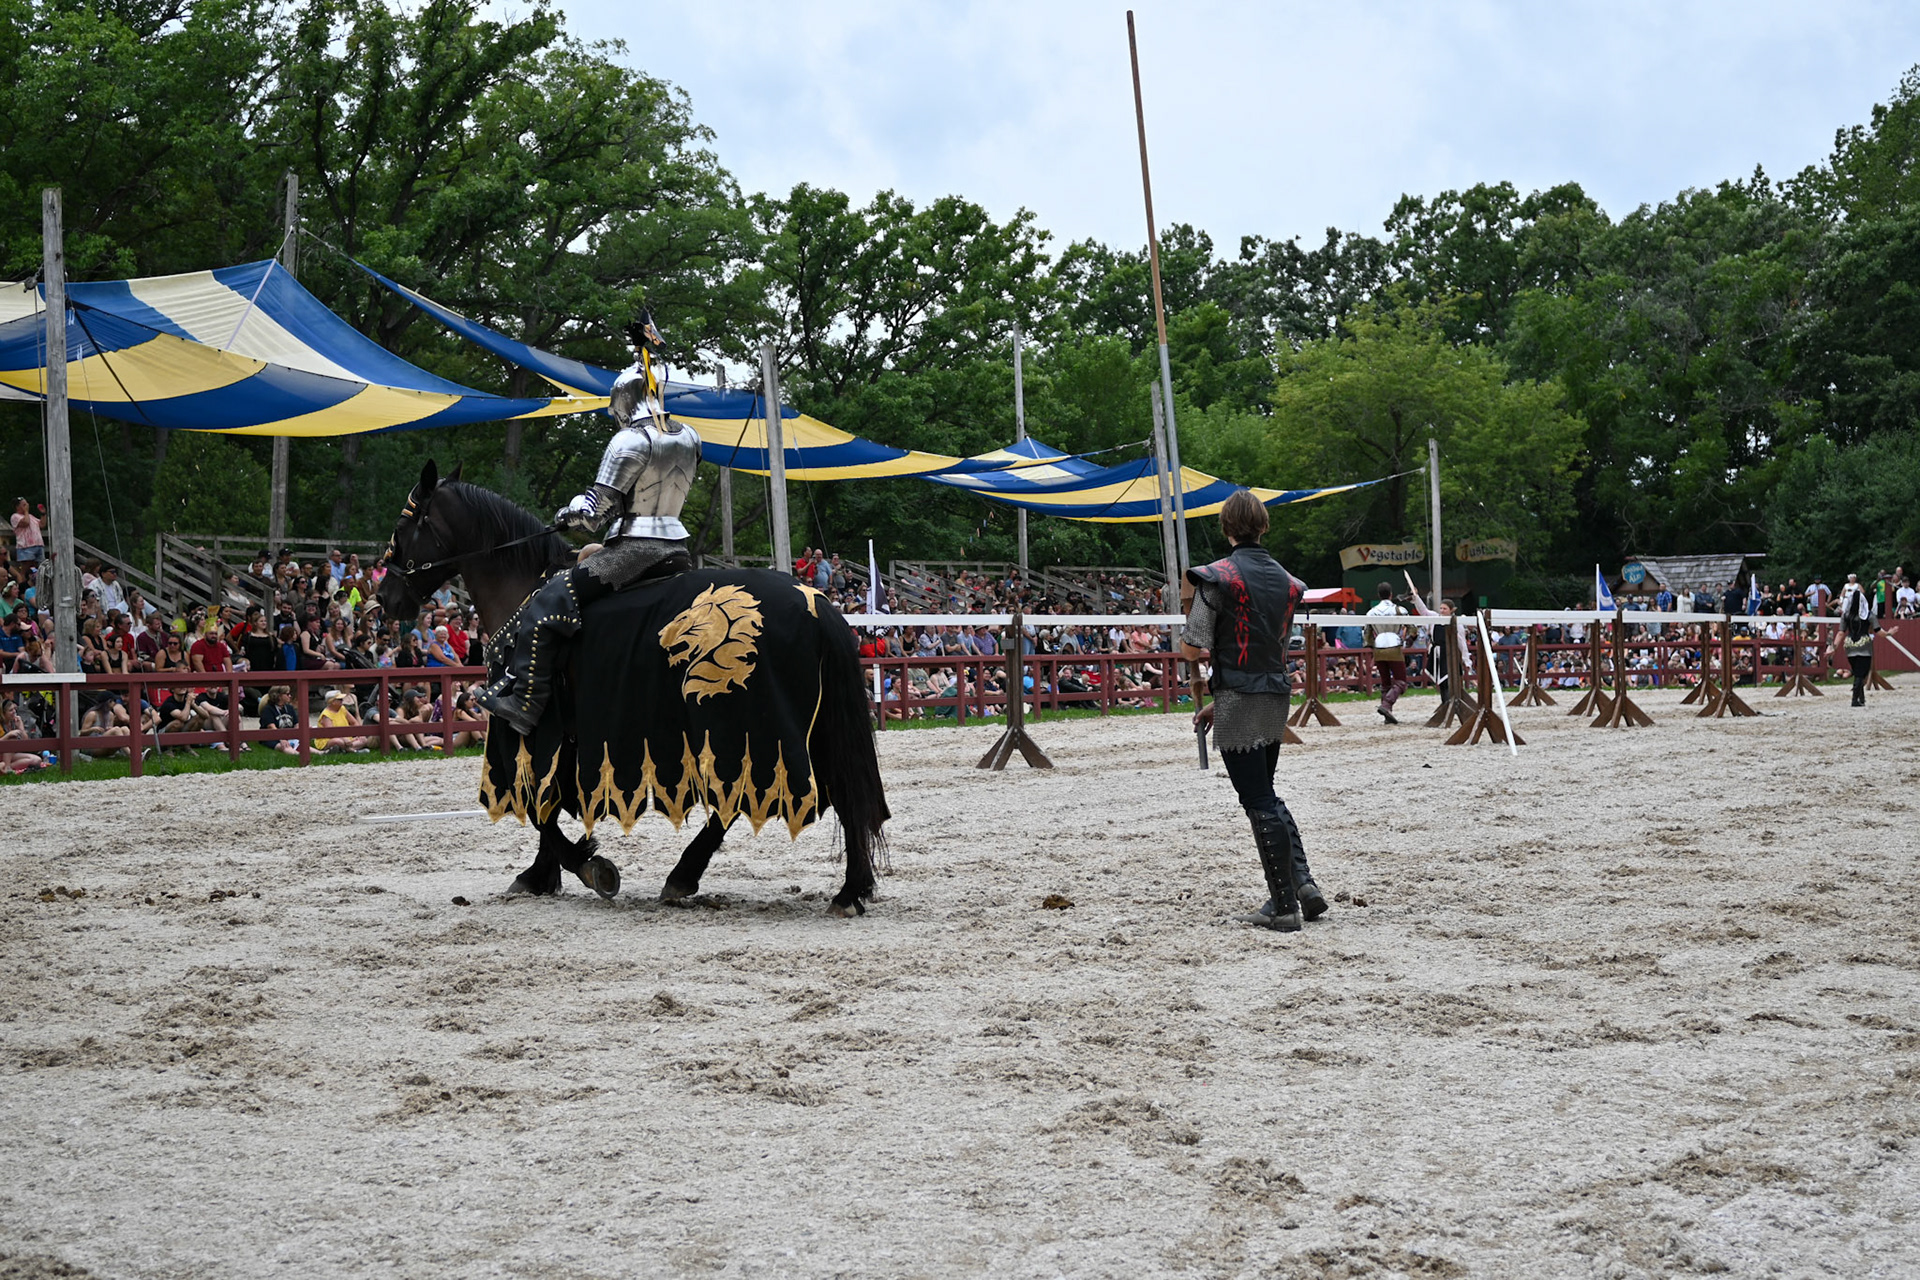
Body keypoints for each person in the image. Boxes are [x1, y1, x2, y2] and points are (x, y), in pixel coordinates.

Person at [477, 315, 698, 737]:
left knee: (548, 600)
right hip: (676, 546)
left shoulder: (630, 440)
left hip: (637, 551)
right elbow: (646, 496)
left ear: (623, 399)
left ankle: (523, 701)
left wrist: (565, 513)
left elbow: (594, 514)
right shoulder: (690, 437)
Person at [1180, 488, 1326, 933]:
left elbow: (1192, 644)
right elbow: (1268, 647)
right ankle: (1302, 884)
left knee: (1257, 798)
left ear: (1226, 528)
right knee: (1267, 790)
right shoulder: (1288, 581)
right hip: (1274, 693)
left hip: (1240, 696)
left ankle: (1282, 906)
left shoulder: (1218, 576)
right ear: (1264, 525)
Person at [1366, 581, 1409, 724]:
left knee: (1385, 683)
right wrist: (1406, 637)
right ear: (1391, 594)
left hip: (1378, 646)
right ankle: (1386, 705)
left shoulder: (1371, 612)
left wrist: (1371, 646)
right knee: (1401, 682)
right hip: (1394, 644)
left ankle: (1387, 714)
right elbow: (1413, 627)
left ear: (1378, 595)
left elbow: (1367, 634)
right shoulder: (1400, 610)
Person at [1836, 576, 1879, 706]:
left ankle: (1861, 697)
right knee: (1862, 673)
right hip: (1864, 644)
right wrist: (1889, 633)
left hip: (1849, 644)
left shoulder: (1846, 615)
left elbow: (1840, 632)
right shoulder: (1869, 615)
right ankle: (1855, 699)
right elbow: (1878, 630)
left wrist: (1833, 647)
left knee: (1857, 672)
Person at [10, 499, 43, 589]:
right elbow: (26, 523)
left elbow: (42, 525)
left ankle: (37, 588)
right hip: (26, 546)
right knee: (26, 569)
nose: (27, 506)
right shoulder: (15, 516)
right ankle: (22, 589)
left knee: (38, 568)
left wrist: (43, 514)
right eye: (24, 504)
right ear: (18, 507)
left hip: (38, 545)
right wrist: (26, 511)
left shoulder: (30, 516)